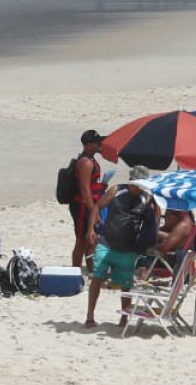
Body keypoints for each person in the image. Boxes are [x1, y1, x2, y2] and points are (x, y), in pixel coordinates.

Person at [84, 185, 158, 329]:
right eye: (136, 184)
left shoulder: (147, 198)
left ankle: (124, 318)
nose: (138, 187)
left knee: (126, 285)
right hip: (106, 244)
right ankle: (90, 315)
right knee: (97, 279)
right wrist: (90, 229)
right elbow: (97, 207)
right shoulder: (116, 190)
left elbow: (152, 222)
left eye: (141, 185)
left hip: (129, 249)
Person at [66, 128, 106, 266]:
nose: (100, 144)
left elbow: (90, 185)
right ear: (88, 145)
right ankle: (75, 270)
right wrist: (93, 211)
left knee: (91, 239)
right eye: (97, 142)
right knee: (82, 240)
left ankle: (90, 268)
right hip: (83, 206)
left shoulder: (90, 160)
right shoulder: (86, 163)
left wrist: (102, 186)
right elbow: (84, 188)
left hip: (88, 204)